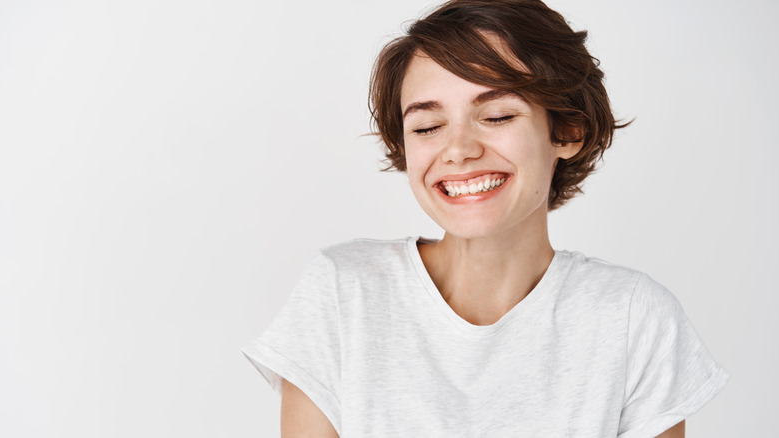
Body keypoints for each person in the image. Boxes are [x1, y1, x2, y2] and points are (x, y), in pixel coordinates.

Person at [242, 0, 730, 436]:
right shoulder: (342, 293)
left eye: (497, 116)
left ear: (566, 130)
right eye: (428, 126)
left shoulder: (632, 318)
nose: (458, 150)